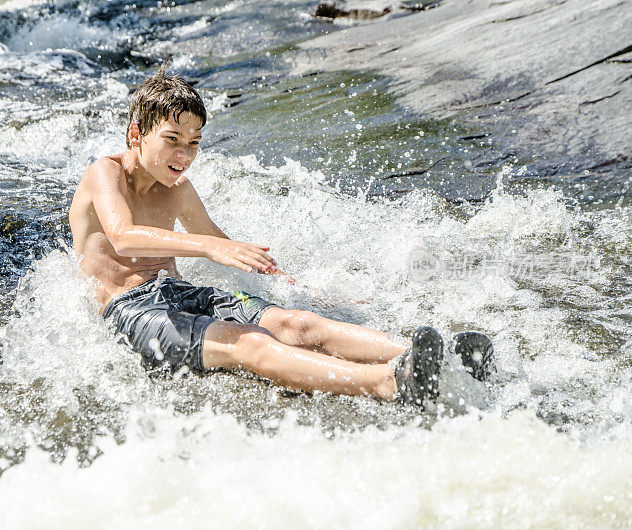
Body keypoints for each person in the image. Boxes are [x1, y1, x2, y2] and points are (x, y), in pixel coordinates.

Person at [68, 63, 493, 406]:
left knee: (297, 323)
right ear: (136, 135)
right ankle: (390, 383)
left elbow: (223, 244)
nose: (184, 155)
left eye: (195, 143)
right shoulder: (105, 172)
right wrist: (210, 246)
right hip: (130, 312)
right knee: (251, 345)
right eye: (172, 140)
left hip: (178, 292)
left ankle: (444, 359)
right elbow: (123, 236)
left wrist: (281, 277)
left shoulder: (177, 188)